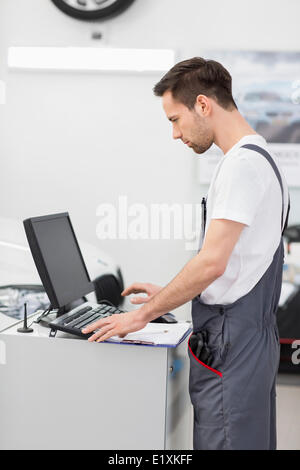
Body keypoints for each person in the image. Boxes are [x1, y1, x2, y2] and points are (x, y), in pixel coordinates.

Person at [83, 57, 290, 450]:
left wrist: (143, 315)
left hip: (234, 344)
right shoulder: (261, 158)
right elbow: (240, 266)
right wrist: (166, 294)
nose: (175, 134)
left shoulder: (242, 165)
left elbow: (212, 262)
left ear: (203, 105)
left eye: (174, 119)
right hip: (250, 336)